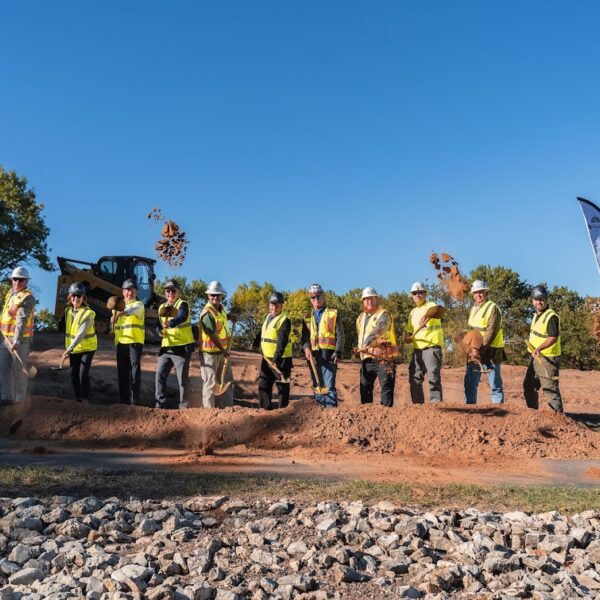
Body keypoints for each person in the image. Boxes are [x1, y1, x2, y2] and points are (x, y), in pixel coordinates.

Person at [301, 283, 343, 408]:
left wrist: (338, 351)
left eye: (318, 296)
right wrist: (306, 348)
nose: (316, 299)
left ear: (323, 296)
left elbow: (340, 334)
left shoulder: (333, 313)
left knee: (329, 386)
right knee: (317, 386)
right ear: (310, 300)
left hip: (329, 356)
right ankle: (320, 415)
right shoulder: (307, 317)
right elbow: (304, 338)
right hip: (313, 357)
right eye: (313, 297)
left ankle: (332, 416)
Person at [463, 280, 505, 405]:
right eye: (476, 293)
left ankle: (498, 412)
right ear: (473, 295)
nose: (478, 295)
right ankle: (470, 410)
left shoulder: (492, 308)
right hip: (474, 351)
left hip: (491, 350)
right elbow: (472, 330)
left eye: (481, 292)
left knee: (495, 384)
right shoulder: (473, 309)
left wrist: (479, 348)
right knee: (470, 383)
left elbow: (491, 331)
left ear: (486, 292)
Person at [155, 279, 195, 410]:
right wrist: (159, 331)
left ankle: (184, 407)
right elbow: (157, 325)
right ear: (165, 293)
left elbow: (182, 317)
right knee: (160, 375)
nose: (170, 293)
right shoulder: (161, 307)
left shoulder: (182, 304)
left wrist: (170, 323)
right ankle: (159, 404)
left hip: (182, 347)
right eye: (167, 291)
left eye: (173, 290)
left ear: (178, 292)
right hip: (166, 347)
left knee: (182, 379)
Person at [524, 285, 563, 413]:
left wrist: (539, 348)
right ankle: (533, 414)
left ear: (546, 299)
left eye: (541, 299)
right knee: (529, 386)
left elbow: (553, 337)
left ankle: (559, 421)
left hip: (548, 359)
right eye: (536, 299)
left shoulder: (551, 316)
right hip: (536, 358)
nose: (539, 302)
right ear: (532, 301)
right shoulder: (536, 316)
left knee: (550, 390)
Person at [356, 287, 397, 407]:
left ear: (376, 299)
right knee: (365, 390)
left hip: (385, 358)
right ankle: (367, 417)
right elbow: (360, 336)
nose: (369, 301)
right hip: (367, 359)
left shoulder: (384, 314)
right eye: (366, 299)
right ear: (363, 301)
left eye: (371, 298)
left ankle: (386, 417)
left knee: (386, 389)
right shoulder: (360, 318)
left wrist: (367, 343)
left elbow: (379, 329)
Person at [0, 267, 35, 405]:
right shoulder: (10, 293)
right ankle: (6, 397)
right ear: (11, 280)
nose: (17, 282)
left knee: (19, 371)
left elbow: (21, 320)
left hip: (19, 341)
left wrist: (17, 340)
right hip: (4, 339)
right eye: (15, 279)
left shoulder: (28, 298)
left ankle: (21, 402)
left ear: (26, 281)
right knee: (3, 368)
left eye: (21, 280)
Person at [405, 282, 444, 404]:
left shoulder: (430, 305)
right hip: (417, 350)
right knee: (414, 378)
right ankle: (418, 407)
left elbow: (438, 309)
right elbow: (409, 331)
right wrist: (407, 338)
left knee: (433, 378)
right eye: (415, 293)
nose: (418, 295)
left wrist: (426, 317)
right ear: (412, 296)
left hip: (431, 348)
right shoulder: (412, 312)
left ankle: (436, 405)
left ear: (425, 294)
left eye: (420, 292)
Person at [255, 292, 292, 410]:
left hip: (281, 359)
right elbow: (263, 333)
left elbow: (282, 342)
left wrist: (276, 359)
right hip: (266, 359)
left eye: (277, 305)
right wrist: (256, 343)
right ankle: (265, 410)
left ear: (281, 306)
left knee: (282, 386)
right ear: (269, 305)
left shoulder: (285, 320)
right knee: (263, 383)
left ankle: (283, 412)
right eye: (272, 304)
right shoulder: (267, 317)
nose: (274, 307)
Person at [199, 280, 233, 408]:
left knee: (227, 381)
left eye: (218, 295)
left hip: (223, 352)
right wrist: (224, 351)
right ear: (208, 296)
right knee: (210, 383)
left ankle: (228, 409)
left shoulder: (221, 309)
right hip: (210, 354)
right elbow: (212, 335)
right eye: (212, 295)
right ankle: (209, 412)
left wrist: (230, 316)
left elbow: (221, 318)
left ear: (222, 296)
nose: (215, 297)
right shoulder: (207, 314)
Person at [62, 283, 97, 403]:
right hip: (74, 349)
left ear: (83, 298)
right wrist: (69, 348)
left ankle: (85, 399)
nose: (75, 299)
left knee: (83, 373)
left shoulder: (88, 314)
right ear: (69, 297)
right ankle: (78, 399)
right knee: (73, 373)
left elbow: (80, 334)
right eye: (73, 296)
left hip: (88, 348)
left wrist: (69, 349)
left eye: (78, 296)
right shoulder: (68, 311)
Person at [113, 279, 145, 406]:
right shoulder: (116, 309)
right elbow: (115, 326)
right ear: (123, 292)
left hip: (134, 343)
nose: (130, 293)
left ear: (136, 292)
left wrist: (121, 313)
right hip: (121, 343)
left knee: (135, 372)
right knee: (122, 373)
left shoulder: (139, 305)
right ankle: (123, 401)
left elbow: (131, 311)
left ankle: (135, 401)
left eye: (132, 290)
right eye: (127, 290)